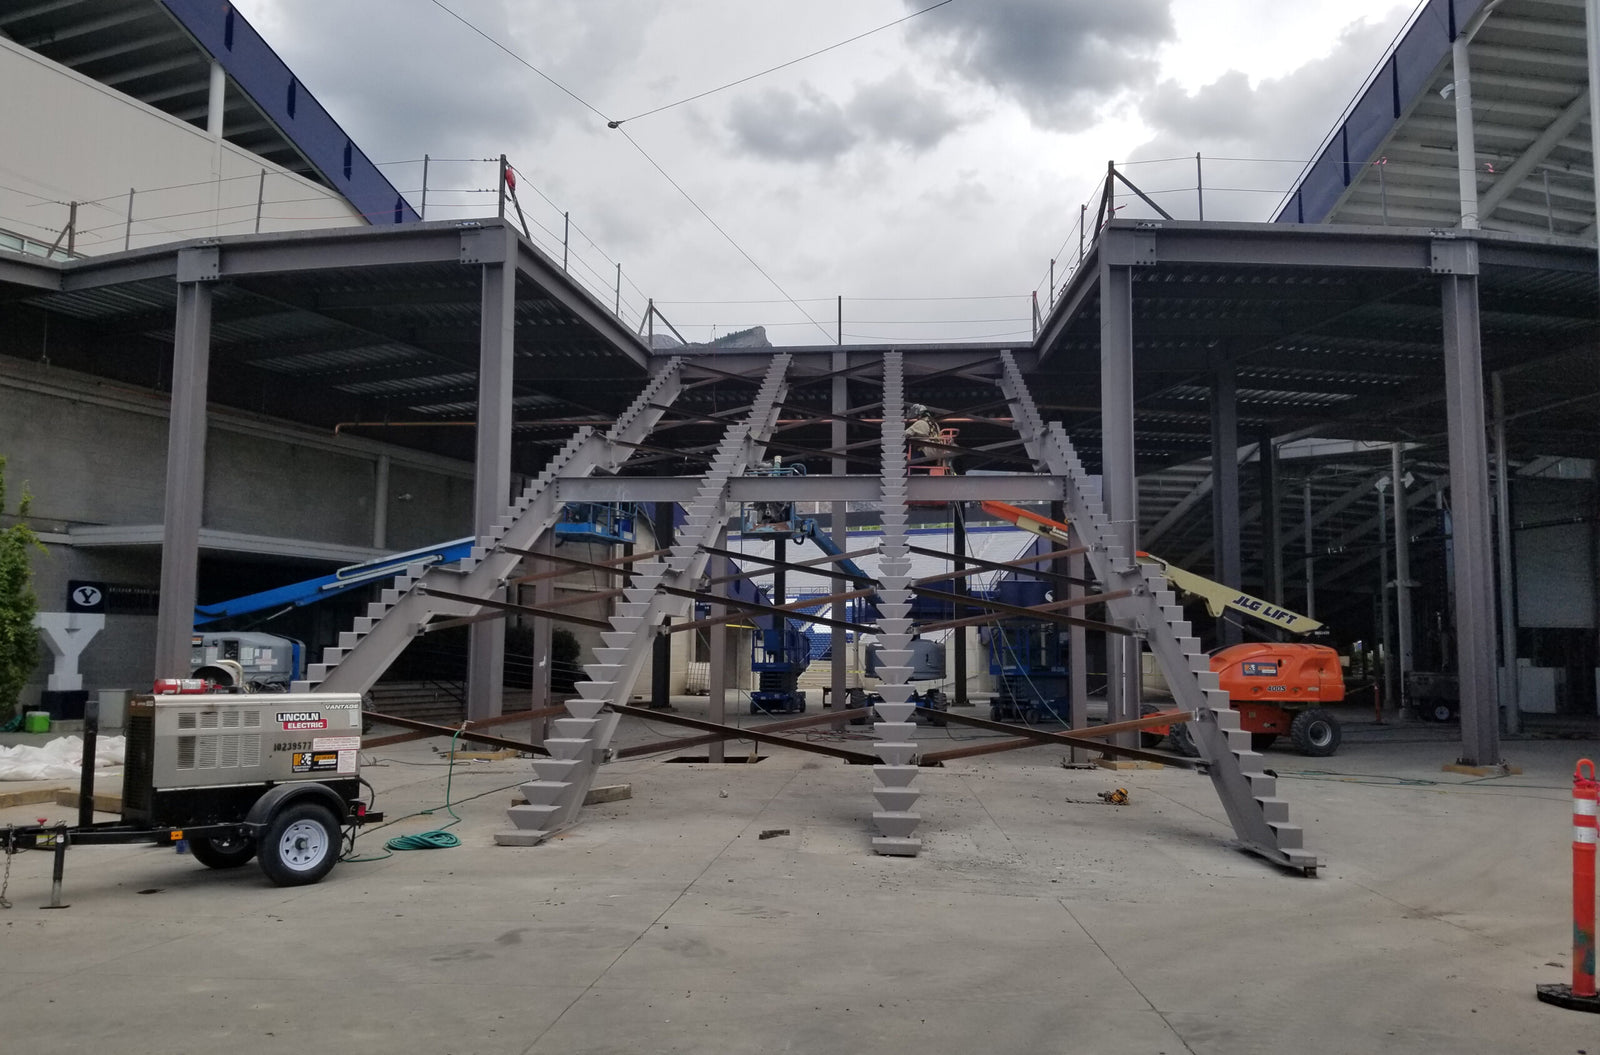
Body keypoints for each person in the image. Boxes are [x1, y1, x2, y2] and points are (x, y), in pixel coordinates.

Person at [904, 403, 951, 474]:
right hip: (937, 454)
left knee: (908, 463)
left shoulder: (920, 423)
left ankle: (909, 479)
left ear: (919, 414)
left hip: (926, 452)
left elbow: (905, 434)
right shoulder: (935, 423)